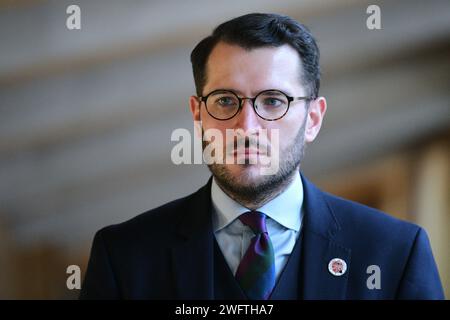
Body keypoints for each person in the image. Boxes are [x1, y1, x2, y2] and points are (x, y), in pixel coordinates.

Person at [79, 13, 444, 300]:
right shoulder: (125, 257)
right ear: (197, 115)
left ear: (313, 119)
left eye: (273, 101)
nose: (247, 126)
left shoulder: (394, 254)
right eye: (225, 101)